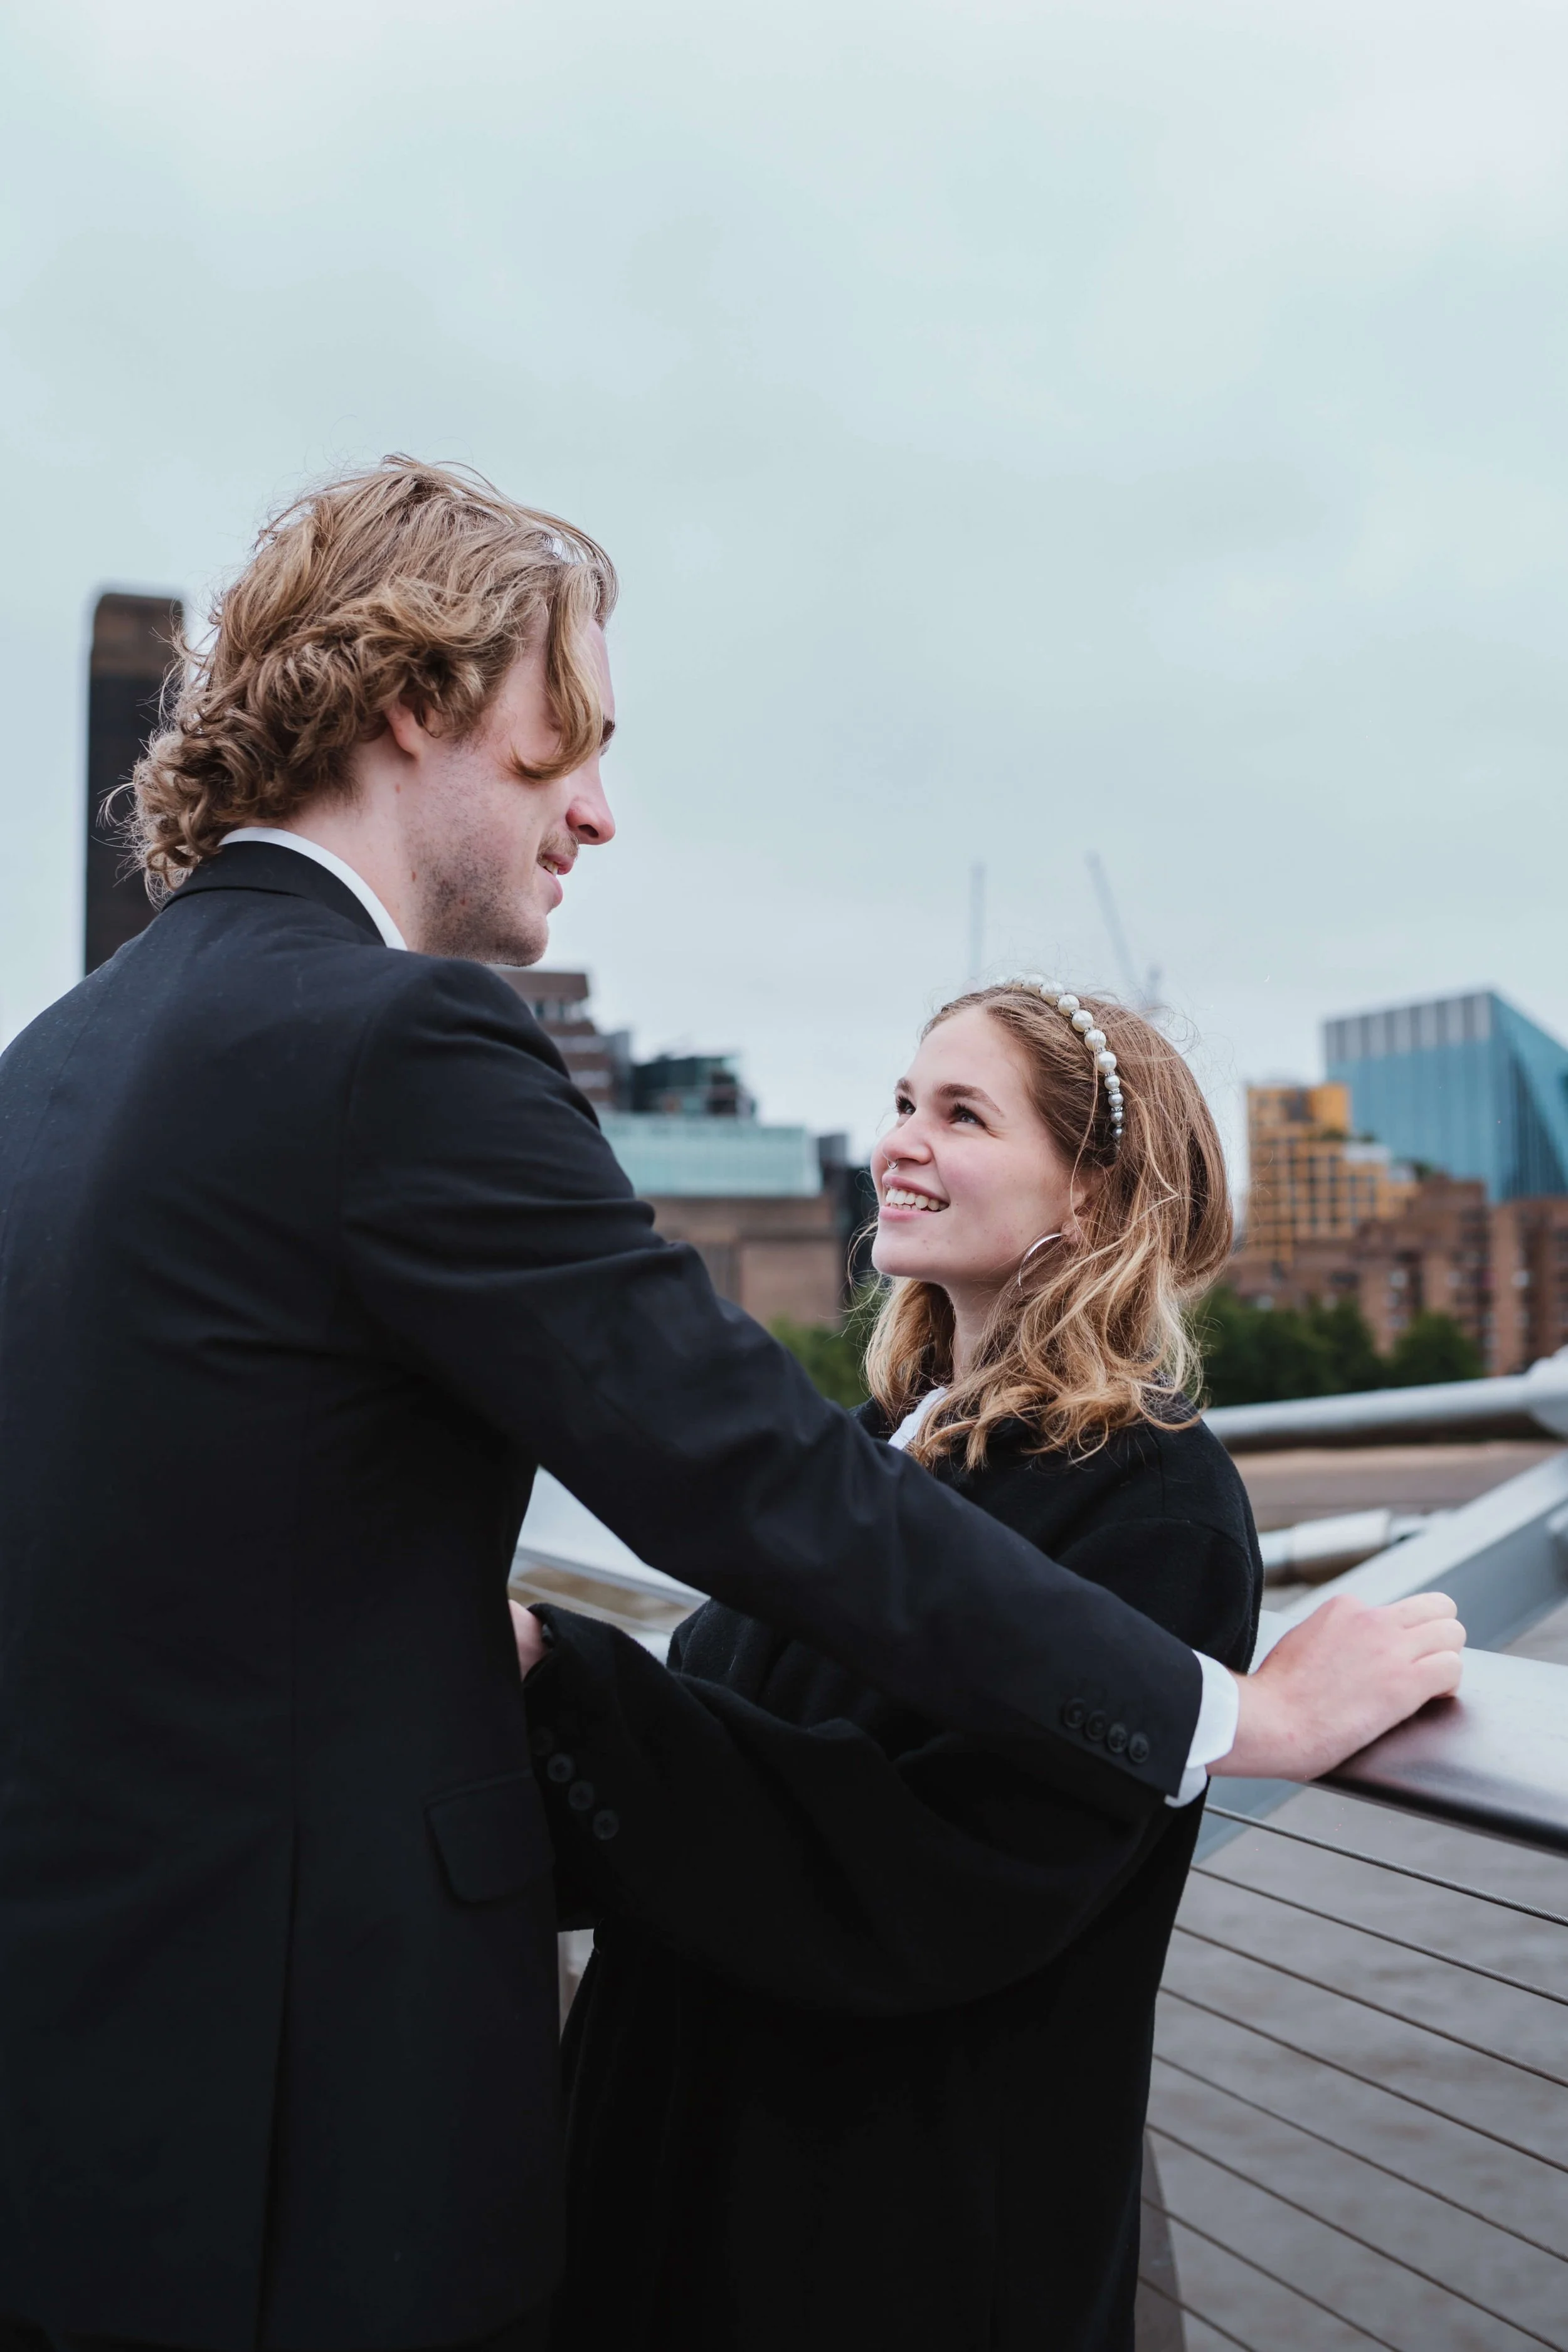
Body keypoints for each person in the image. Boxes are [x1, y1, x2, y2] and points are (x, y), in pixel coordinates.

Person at [0, 458, 1461, 2352]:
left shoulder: (65, 1052)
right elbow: (739, 1468)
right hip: (311, 2109)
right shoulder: (394, 1035)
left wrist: (496, 1647)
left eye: (963, 1110)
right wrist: (1230, 1713)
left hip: (105, 2089)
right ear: (418, 697)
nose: (598, 809)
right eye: (569, 744)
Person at [514, 985, 1266, 2346]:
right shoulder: (867, 1455)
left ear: (1091, 1201)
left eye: (961, 1114)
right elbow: (717, 1746)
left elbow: (939, 1879)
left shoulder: (1151, 1505)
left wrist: (562, 1679)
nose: (898, 1145)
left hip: (882, 2241)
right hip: (686, 2175)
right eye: (903, 1102)